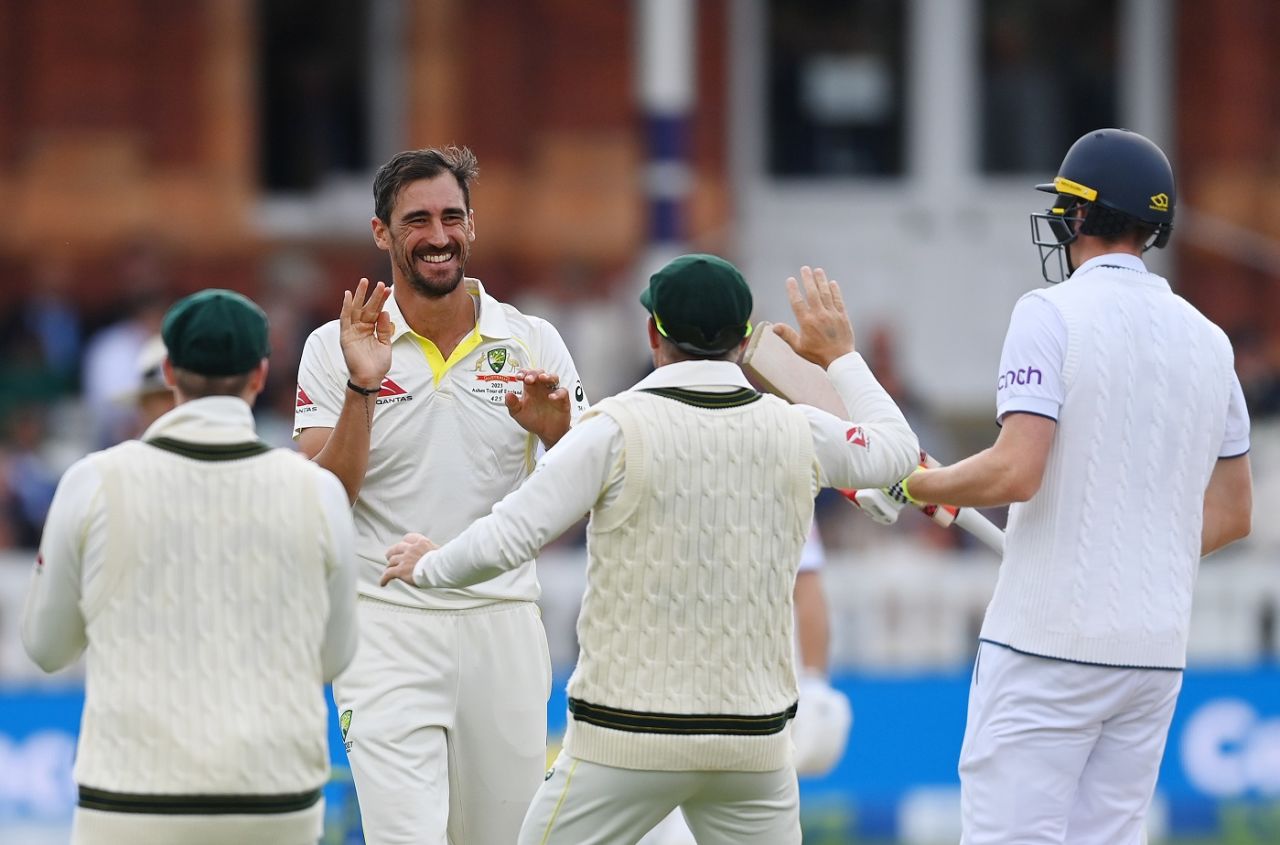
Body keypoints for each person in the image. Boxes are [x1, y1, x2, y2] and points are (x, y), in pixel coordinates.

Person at [381, 254, 919, 844]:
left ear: (653, 334)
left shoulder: (614, 427)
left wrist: (428, 565)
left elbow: (511, 534)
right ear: (746, 339)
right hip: (752, 747)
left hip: (625, 740)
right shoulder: (798, 429)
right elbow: (896, 451)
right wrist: (840, 355)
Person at [887, 128, 1254, 844]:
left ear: (1078, 216)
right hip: (1152, 652)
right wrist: (1136, 545)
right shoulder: (1211, 340)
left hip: (1045, 643)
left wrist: (916, 483)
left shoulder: (1049, 313)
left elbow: (1015, 468)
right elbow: (1235, 511)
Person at [293, 146, 588, 844]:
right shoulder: (335, 347)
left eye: (452, 216)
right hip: (385, 624)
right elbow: (322, 502)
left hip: (504, 621)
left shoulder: (531, 340)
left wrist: (560, 435)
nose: (437, 236)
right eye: (417, 219)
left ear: (472, 226)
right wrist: (364, 384)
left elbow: (586, 486)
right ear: (381, 233)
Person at [22, 289, 359, 845]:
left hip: (128, 799)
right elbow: (333, 658)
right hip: (276, 800)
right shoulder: (317, 492)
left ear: (170, 371)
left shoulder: (93, 481)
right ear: (260, 374)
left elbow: (46, 647)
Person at [641, 523, 853, 845]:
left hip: (746, 688)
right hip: (699, 684)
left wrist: (814, 684)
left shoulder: (784, 477)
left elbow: (806, 585)